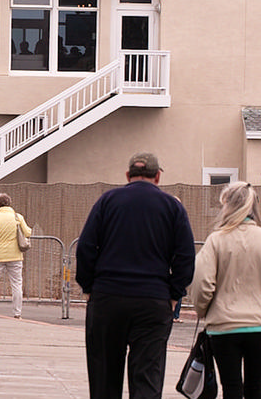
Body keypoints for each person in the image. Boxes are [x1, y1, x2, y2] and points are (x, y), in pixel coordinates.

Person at [75, 152, 196, 399]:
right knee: (147, 377)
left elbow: (86, 247)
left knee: (104, 376)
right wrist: (174, 294)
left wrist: (89, 287)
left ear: (128, 175)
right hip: (153, 300)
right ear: (158, 176)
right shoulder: (172, 206)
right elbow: (185, 257)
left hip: (108, 298)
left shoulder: (107, 201)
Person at [190, 182, 261, 399]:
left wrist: (203, 310)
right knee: (256, 388)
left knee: (231, 388)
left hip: (223, 327)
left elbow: (202, 284)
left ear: (226, 205)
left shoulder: (215, 241)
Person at [0, 193, 31, 318]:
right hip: (15, 255)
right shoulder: (17, 217)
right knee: (16, 283)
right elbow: (27, 232)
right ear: (9, 203)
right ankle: (17, 312)